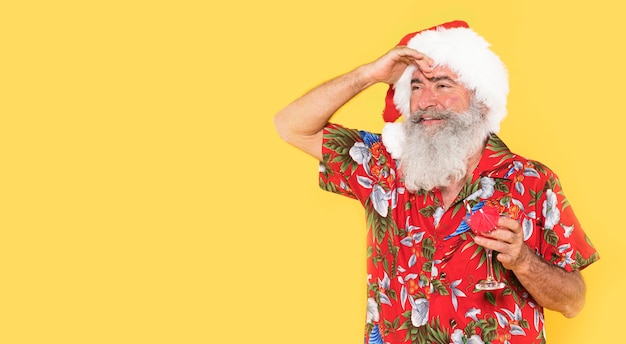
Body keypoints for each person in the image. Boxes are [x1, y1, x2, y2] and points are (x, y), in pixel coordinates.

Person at [273, 20, 598, 344]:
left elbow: (573, 301)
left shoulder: (531, 180)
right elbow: (292, 126)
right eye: (415, 87)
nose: (426, 101)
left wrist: (524, 261)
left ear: (481, 99)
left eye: (442, 86)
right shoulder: (382, 168)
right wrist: (369, 74)